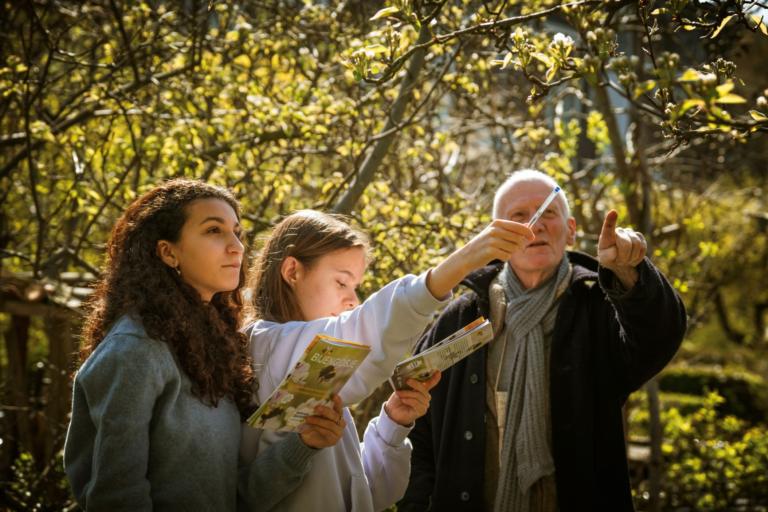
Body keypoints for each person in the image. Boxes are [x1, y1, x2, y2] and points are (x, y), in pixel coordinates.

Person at [399, 169, 687, 512]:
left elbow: (658, 337)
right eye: (518, 216)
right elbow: (418, 428)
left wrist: (630, 272)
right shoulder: (461, 317)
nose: (534, 225)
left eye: (547, 213)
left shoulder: (599, 307)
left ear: (570, 232)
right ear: (496, 237)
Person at [63, 180, 345, 511]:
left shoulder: (212, 347)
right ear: (168, 252)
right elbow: (115, 499)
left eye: (237, 232)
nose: (237, 246)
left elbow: (232, 499)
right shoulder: (134, 350)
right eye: (214, 230)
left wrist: (304, 443)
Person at [240, 209, 534, 511]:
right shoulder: (264, 345)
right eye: (342, 283)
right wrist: (464, 260)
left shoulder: (312, 373)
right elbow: (365, 330)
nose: (352, 300)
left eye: (355, 287)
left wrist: (395, 422)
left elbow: (368, 494)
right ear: (292, 272)